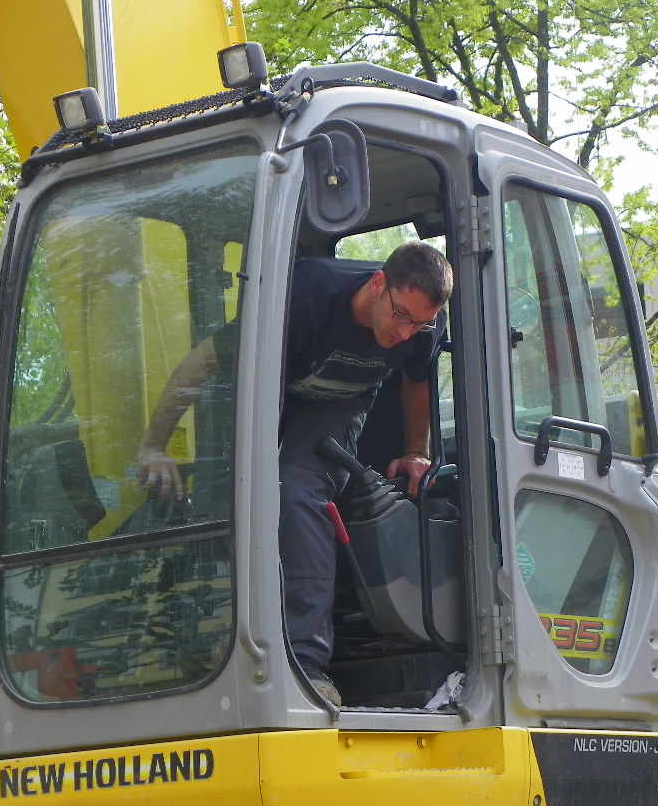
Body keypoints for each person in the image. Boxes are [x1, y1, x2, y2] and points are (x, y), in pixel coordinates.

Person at [138, 242, 454, 707]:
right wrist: (153, 445)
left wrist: (414, 452)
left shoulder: (423, 325)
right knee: (231, 487)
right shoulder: (308, 297)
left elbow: (418, 376)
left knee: (299, 489)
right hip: (268, 389)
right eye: (401, 315)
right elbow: (204, 361)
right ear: (378, 284)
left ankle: (306, 666)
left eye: (420, 323)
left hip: (337, 404)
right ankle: (200, 645)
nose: (406, 332)